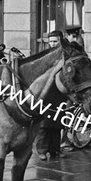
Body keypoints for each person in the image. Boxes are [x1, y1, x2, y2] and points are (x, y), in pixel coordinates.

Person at [35, 30, 64, 160]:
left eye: (55, 41)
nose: (52, 44)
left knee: (57, 123)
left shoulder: (64, 55)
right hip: (46, 92)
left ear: (61, 41)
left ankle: (55, 149)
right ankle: (42, 149)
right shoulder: (44, 56)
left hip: (58, 93)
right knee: (44, 124)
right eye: (51, 41)